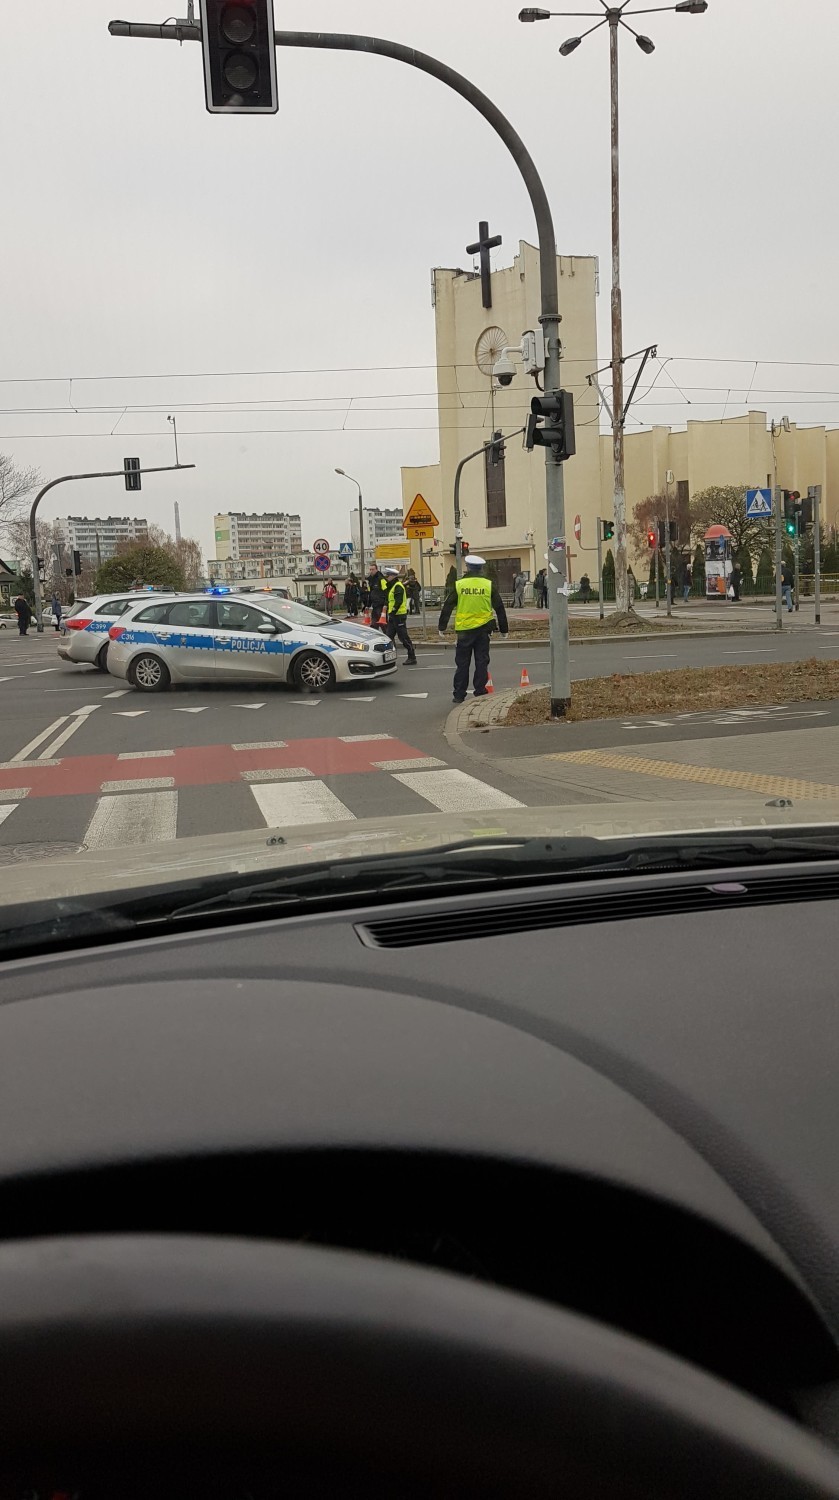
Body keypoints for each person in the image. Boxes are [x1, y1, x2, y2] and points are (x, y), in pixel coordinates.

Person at [438, 554, 509, 704]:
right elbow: (500, 608)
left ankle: (459, 694)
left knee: (462, 664)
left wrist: (442, 627)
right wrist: (504, 629)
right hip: (483, 630)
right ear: (481, 568)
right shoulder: (488, 585)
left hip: (464, 631)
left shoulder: (459, 585)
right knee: (481, 662)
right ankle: (480, 691)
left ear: (468, 567)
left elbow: (448, 606)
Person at [382, 567, 417, 665]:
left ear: (393, 576)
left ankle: (412, 657)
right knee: (388, 637)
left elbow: (398, 601)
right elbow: (389, 599)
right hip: (393, 616)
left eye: (388, 576)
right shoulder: (392, 586)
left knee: (403, 637)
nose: (386, 578)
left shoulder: (398, 586)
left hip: (399, 616)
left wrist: (392, 611)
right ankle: (388, 657)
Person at [367, 563, 389, 628]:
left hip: (381, 605)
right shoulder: (370, 580)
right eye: (370, 569)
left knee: (383, 624)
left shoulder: (381, 579)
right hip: (375, 605)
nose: (371, 571)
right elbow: (370, 593)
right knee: (373, 625)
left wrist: (385, 604)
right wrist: (368, 605)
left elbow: (387, 592)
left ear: (376, 569)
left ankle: (388, 637)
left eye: (373, 569)